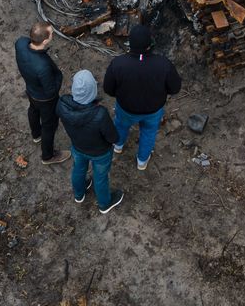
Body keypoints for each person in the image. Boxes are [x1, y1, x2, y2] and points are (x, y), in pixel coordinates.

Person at [103, 23, 181, 171]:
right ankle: (142, 161)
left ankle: (118, 146)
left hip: (126, 108)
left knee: (120, 125)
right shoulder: (164, 64)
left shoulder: (118, 64)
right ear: (149, 44)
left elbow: (108, 89)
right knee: (149, 133)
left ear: (130, 44)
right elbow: (175, 88)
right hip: (153, 110)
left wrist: (121, 95)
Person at [56, 70, 124, 213]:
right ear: (93, 90)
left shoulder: (62, 104)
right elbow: (112, 137)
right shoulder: (100, 114)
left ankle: (79, 194)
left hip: (78, 147)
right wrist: (116, 140)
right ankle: (104, 204)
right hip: (100, 153)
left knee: (78, 169)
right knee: (100, 178)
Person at [14, 22, 67, 165]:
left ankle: (36, 134)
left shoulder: (21, 43)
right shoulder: (42, 66)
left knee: (33, 110)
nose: (53, 34)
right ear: (45, 41)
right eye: (51, 33)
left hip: (31, 91)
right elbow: (51, 90)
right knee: (49, 126)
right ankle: (48, 156)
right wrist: (59, 77)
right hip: (45, 99)